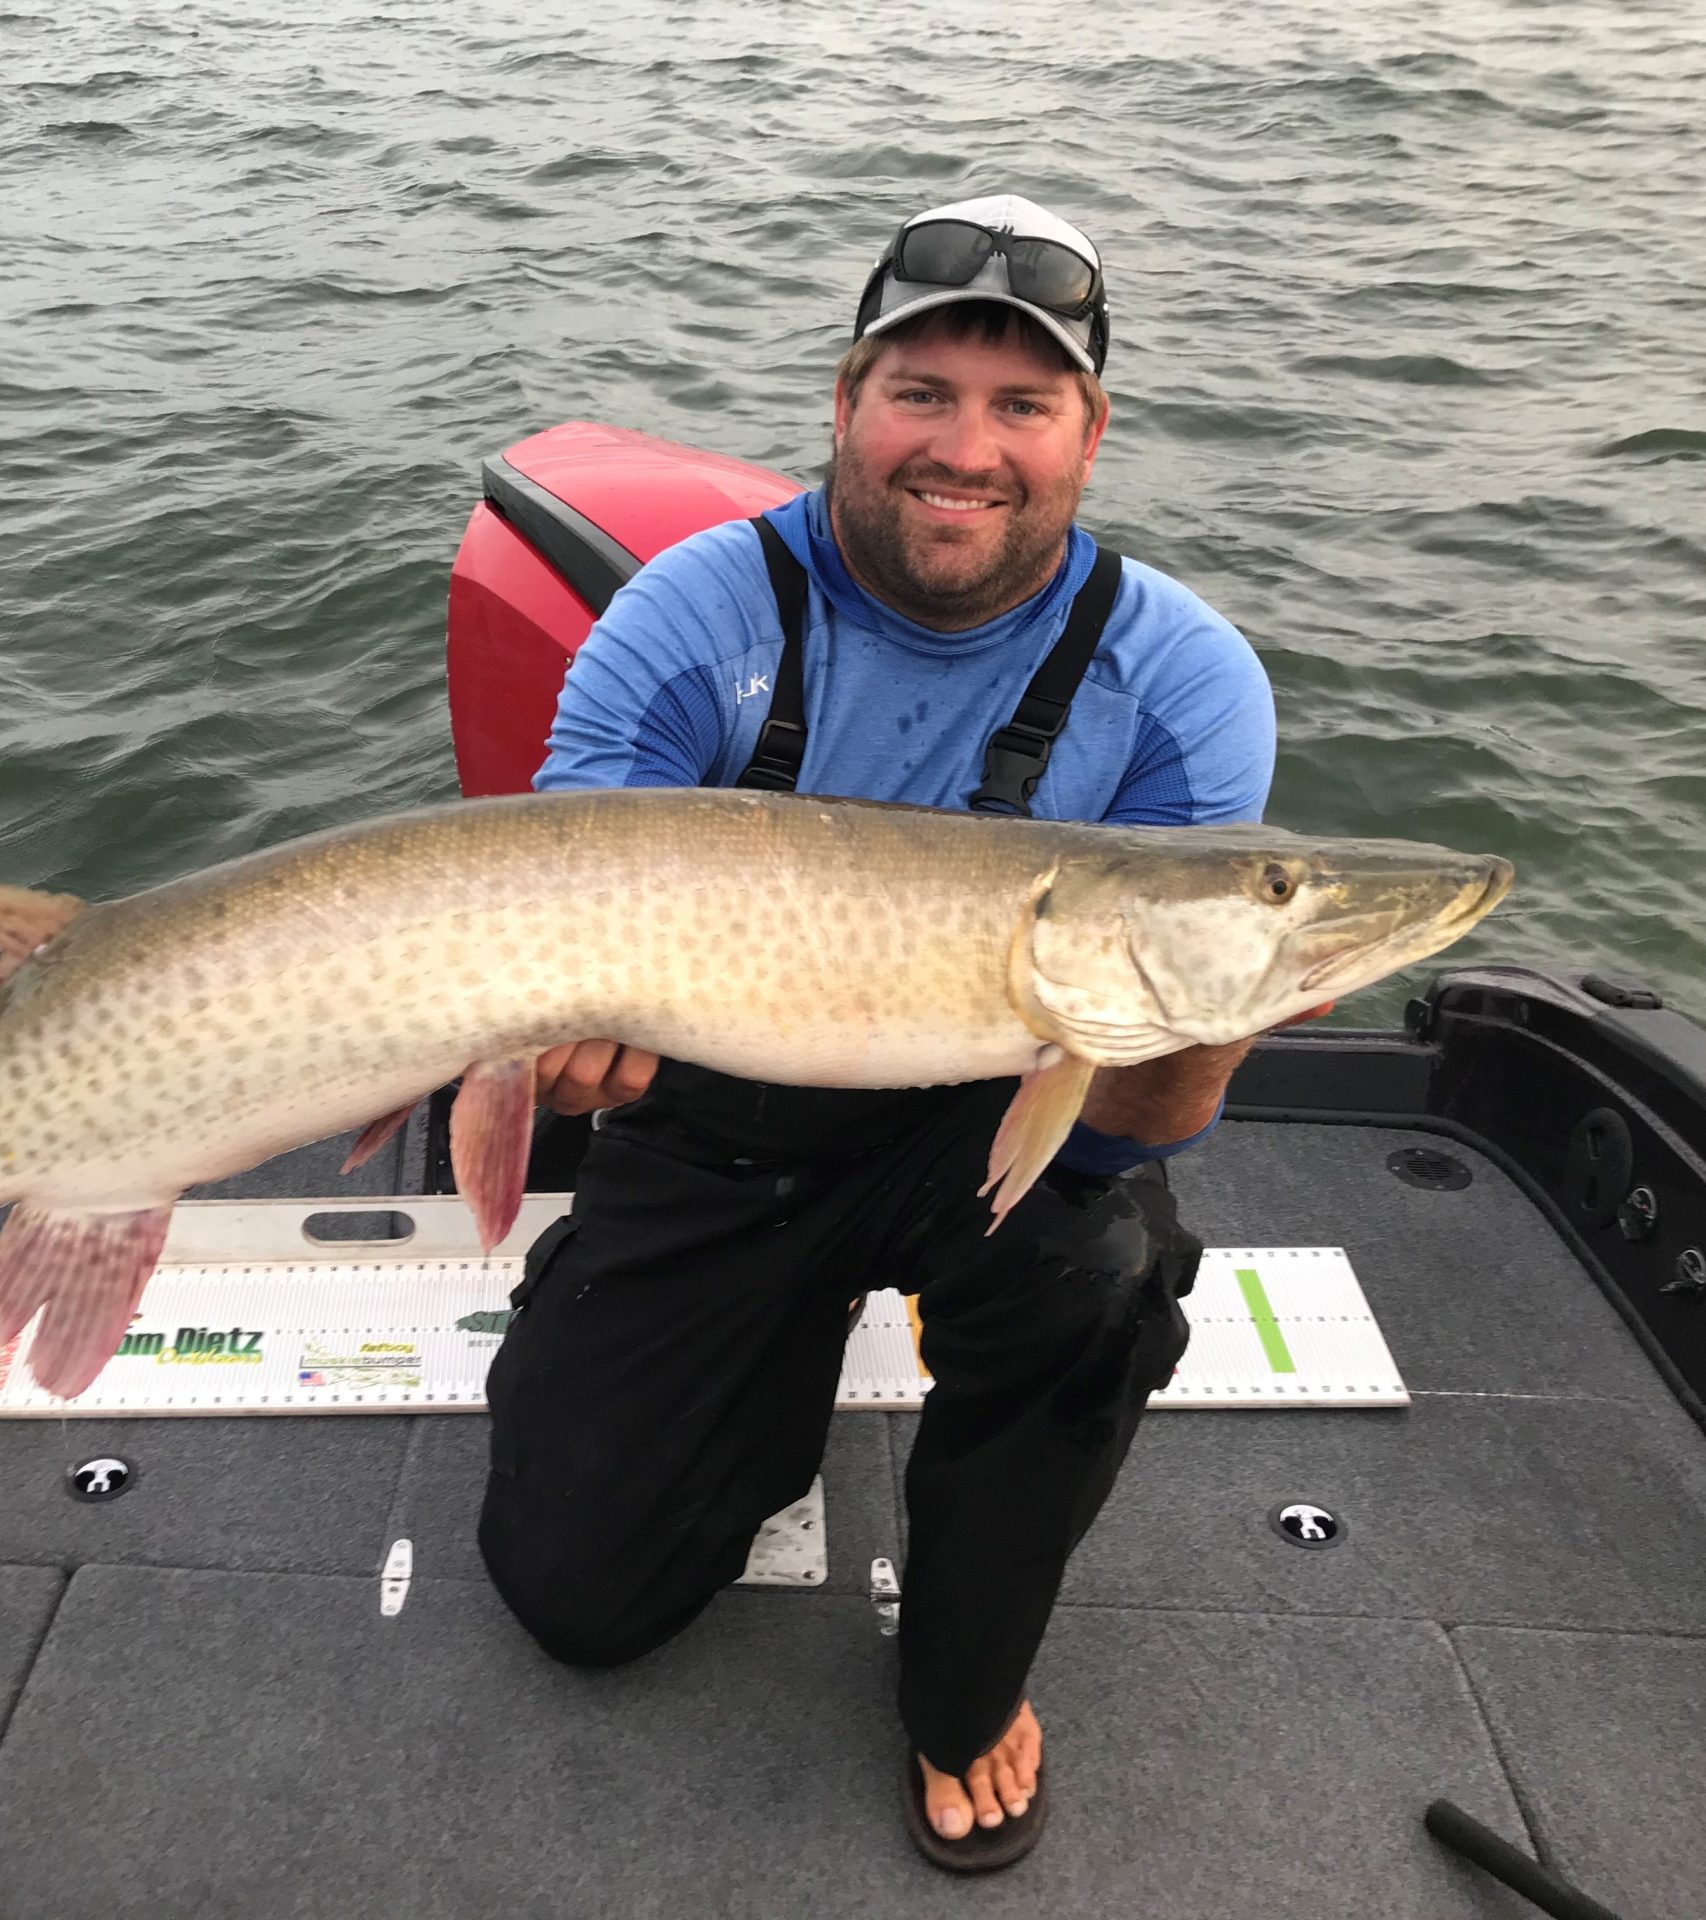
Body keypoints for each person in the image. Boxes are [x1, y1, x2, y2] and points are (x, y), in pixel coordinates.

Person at [474, 193, 1280, 1872]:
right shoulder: (695, 614)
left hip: (976, 1113)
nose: (965, 447)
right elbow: (559, 913)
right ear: (846, 402)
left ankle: (964, 1685)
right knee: (577, 1596)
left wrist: (1209, 1040)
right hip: (714, 1124)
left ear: (1088, 433)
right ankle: (696, 1346)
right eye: (922, 392)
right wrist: (561, 1045)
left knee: (1107, 1265)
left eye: (1021, 403)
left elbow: (1123, 1126)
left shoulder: (1186, 681)